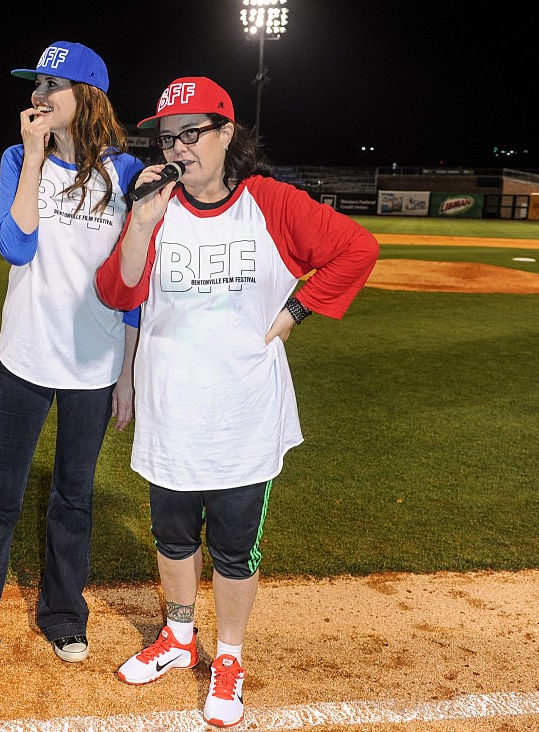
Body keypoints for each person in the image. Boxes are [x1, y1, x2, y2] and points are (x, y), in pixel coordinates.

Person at [94, 77, 379, 727]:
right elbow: (119, 290)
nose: (179, 147)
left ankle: (228, 657)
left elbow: (354, 250)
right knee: (171, 540)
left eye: (193, 132)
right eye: (168, 136)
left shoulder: (270, 203)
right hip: (171, 411)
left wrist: (295, 312)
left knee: (232, 552)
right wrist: (140, 219)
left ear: (227, 135)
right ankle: (178, 636)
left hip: (243, 418)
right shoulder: (156, 206)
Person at [0, 41, 144, 679]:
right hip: (24, 358)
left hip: (94, 367)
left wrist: (128, 372)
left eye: (52, 86)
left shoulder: (125, 175)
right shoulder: (18, 157)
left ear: (86, 96)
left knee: (74, 497)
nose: (38, 96)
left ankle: (64, 616)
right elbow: (15, 246)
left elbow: (133, 285)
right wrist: (36, 157)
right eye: (35, 85)